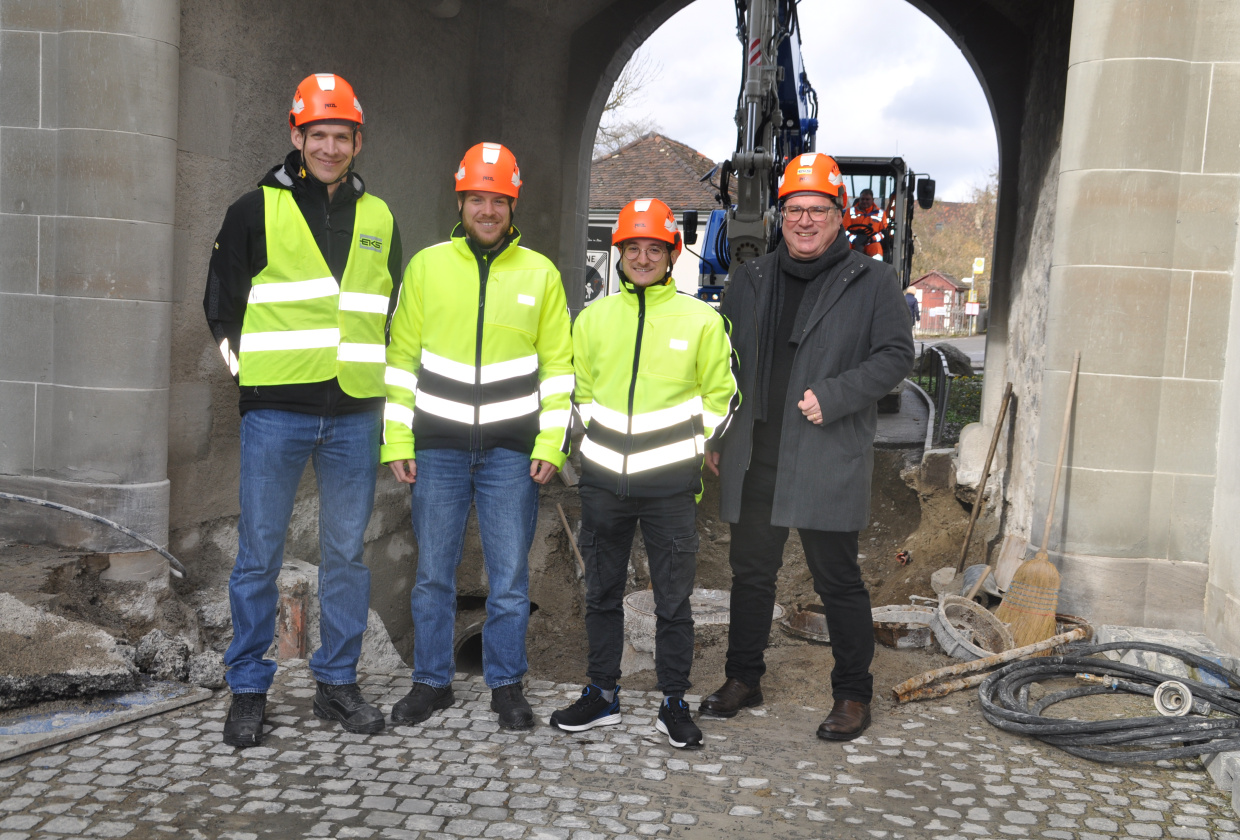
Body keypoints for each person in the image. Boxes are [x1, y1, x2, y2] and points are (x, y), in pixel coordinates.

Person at [204, 73, 402, 748]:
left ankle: (337, 684)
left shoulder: (379, 218)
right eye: (317, 134)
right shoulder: (251, 211)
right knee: (258, 555)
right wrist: (252, 383)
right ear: (296, 136)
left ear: (356, 142)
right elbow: (221, 314)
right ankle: (249, 689)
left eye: (340, 135)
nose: (329, 145)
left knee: (348, 554)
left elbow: (388, 315)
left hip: (354, 411)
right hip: (276, 412)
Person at [699, 152, 914, 741]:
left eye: (818, 209)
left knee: (836, 578)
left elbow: (897, 356)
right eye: (795, 208)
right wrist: (721, 434)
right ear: (780, 214)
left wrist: (839, 394)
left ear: (838, 214)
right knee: (751, 573)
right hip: (757, 451)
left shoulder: (873, 281)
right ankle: (743, 678)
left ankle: (852, 694)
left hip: (824, 451)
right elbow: (727, 364)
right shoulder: (752, 278)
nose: (805, 220)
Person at [382, 142, 573, 731]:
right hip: (436, 448)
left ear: (512, 205)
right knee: (434, 573)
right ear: (460, 201)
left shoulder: (540, 274)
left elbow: (559, 367)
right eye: (477, 199)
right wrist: (397, 439)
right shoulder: (426, 267)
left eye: (498, 200)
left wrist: (550, 443)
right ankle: (432, 682)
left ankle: (506, 684)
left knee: (509, 579)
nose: (487, 210)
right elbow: (401, 359)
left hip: (511, 454)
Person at [549, 199, 738, 749]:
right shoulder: (592, 319)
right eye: (633, 248)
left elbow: (722, 396)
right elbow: (575, 391)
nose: (642, 257)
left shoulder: (702, 319)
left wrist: (693, 447)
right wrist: (584, 441)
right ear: (619, 254)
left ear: (671, 254)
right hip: (604, 483)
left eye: (654, 248)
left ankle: (673, 701)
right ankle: (601, 694)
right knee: (602, 594)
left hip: (671, 489)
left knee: (673, 601)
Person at [846, 188, 886, 259]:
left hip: (871, 242)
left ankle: (876, 268)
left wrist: (871, 239)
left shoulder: (881, 213)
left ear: (872, 200)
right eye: (862, 199)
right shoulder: (850, 211)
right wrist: (854, 239)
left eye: (867, 199)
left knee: (877, 249)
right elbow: (844, 229)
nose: (864, 201)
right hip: (853, 242)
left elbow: (883, 232)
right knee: (844, 247)